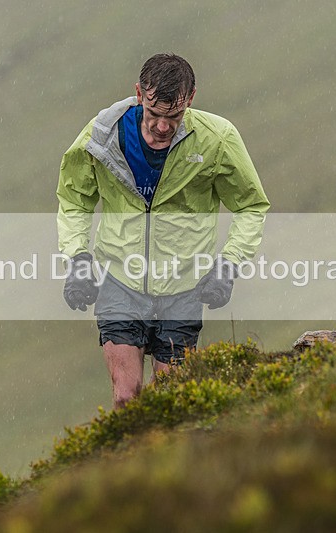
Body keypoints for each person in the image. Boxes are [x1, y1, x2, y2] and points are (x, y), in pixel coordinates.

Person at [57, 53, 270, 409]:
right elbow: (74, 199)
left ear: (191, 99)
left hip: (184, 287)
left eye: (174, 117)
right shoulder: (103, 136)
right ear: (139, 94)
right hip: (120, 280)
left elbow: (251, 206)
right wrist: (78, 259)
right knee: (128, 398)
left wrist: (228, 266)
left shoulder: (217, 140)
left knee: (173, 404)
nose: (162, 127)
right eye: (155, 115)